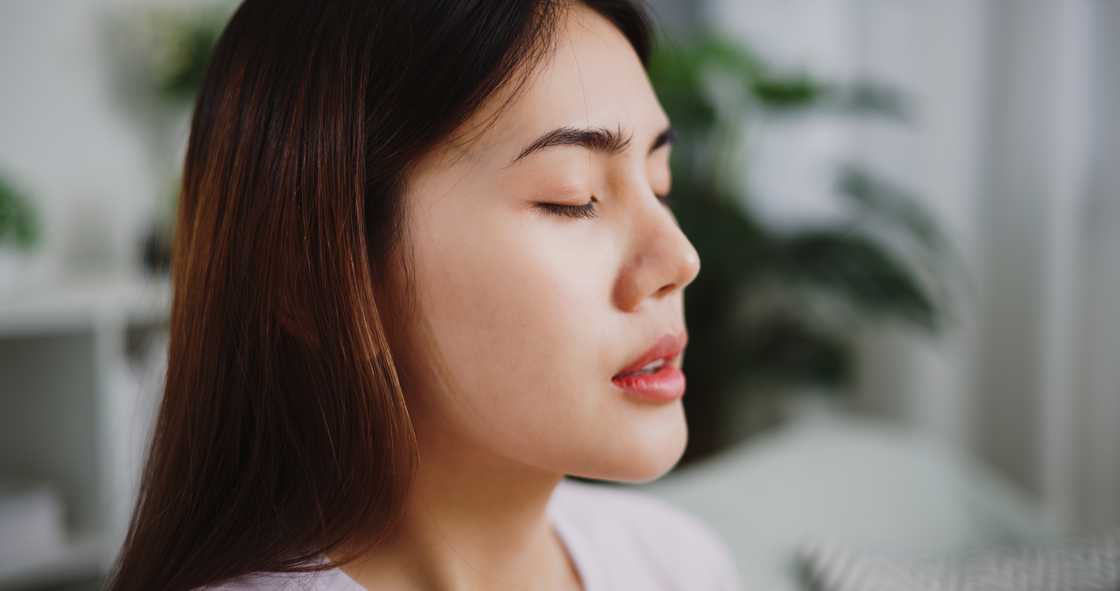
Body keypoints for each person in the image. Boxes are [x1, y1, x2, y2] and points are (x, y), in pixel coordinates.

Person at [105, 0, 742, 589]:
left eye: (659, 185)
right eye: (572, 199)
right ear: (311, 272)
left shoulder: (675, 562)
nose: (680, 259)